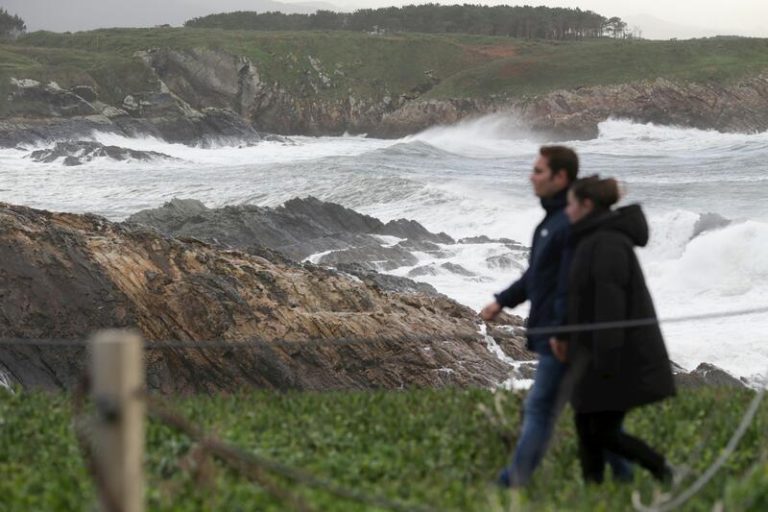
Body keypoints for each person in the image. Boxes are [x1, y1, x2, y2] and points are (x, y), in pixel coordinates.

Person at [481, 147, 632, 487]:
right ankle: (628, 479)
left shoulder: (569, 220)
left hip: (565, 336)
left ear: (560, 177)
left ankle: (511, 482)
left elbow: (572, 284)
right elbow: (540, 276)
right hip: (566, 333)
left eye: (538, 171)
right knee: (594, 416)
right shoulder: (554, 220)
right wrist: (501, 302)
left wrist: (562, 331)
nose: (530, 177)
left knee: (540, 410)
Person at [550, 176, 676, 484]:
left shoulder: (607, 243)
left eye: (571, 204)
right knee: (586, 426)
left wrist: (605, 366)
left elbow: (611, 310)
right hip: (591, 352)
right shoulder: (590, 238)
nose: (566, 211)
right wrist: (564, 335)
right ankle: (594, 492)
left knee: (602, 430)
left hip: (613, 357)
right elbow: (580, 297)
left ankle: (662, 470)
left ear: (587, 205)